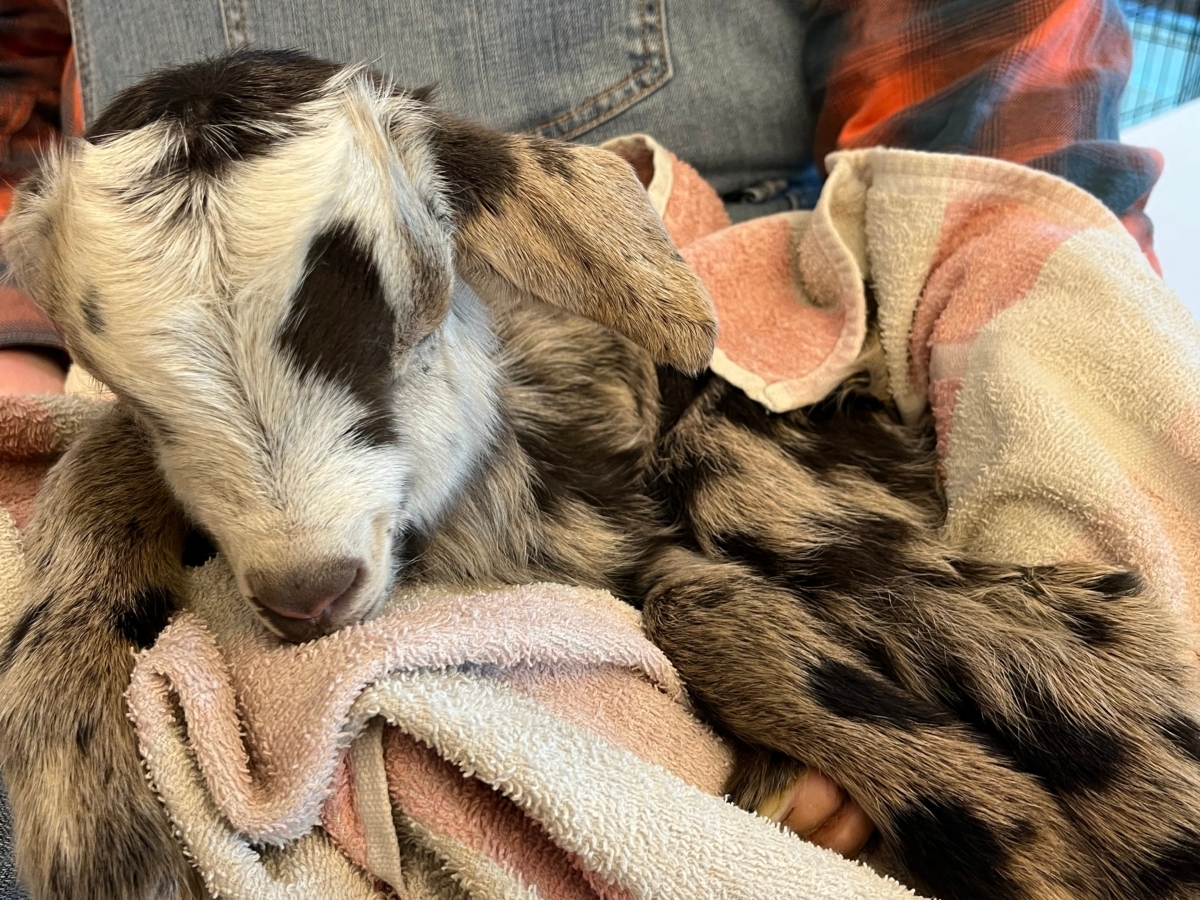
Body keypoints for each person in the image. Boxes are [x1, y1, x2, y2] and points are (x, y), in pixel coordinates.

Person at [0, 0, 1168, 895]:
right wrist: (28, 369)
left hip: (713, 267)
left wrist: (1020, 273)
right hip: (155, 357)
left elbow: (984, 72)